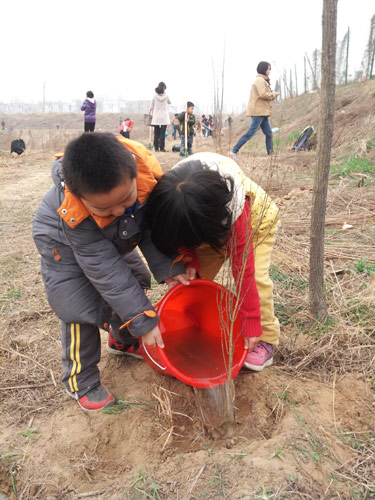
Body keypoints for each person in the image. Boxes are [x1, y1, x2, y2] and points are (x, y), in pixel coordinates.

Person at [32, 133, 190, 412]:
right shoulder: (75, 212)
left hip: (109, 239)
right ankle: (82, 380)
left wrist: (169, 268)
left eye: (126, 200)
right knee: (79, 308)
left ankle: (123, 340)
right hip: (63, 248)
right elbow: (105, 270)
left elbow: (149, 230)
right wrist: (143, 318)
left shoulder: (145, 178)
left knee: (134, 283)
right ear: (81, 199)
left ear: (133, 174)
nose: (119, 210)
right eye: (105, 208)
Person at [146, 152, 280, 372]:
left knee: (257, 281)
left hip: (256, 226)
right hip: (207, 231)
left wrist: (251, 322)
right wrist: (190, 259)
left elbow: (243, 270)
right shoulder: (174, 196)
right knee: (194, 282)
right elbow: (180, 235)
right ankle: (194, 327)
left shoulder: (236, 208)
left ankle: (265, 338)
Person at [230, 62, 279, 159]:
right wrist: (274, 94)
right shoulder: (260, 80)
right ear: (263, 69)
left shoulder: (263, 80)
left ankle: (270, 154)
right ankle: (233, 151)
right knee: (250, 134)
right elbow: (262, 94)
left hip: (262, 112)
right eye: (268, 69)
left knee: (269, 133)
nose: (269, 71)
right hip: (258, 112)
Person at [150, 82, 171, 152]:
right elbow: (169, 102)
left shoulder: (154, 96)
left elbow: (151, 107)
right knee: (162, 133)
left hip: (156, 117)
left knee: (156, 133)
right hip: (164, 117)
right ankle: (162, 148)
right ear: (164, 88)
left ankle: (156, 148)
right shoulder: (166, 96)